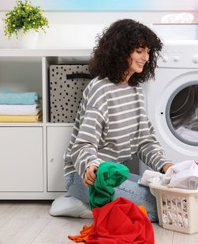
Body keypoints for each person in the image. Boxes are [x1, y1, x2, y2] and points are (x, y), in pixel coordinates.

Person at [49, 19, 173, 222]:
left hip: (113, 174)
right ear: (122, 51)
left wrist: (166, 166)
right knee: (158, 209)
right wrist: (91, 165)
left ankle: (90, 203)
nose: (145, 57)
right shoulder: (101, 89)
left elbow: (145, 140)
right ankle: (84, 204)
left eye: (148, 51)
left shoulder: (135, 91)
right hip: (87, 176)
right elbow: (83, 145)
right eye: (139, 50)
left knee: (163, 197)